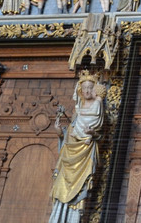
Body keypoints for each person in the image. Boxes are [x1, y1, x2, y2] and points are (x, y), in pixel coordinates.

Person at [49, 75, 105, 223]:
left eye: (90, 88)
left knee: (81, 188)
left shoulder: (98, 110)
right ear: (80, 90)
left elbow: (101, 137)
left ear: (94, 90)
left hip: (84, 156)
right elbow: (69, 135)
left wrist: (92, 134)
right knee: (61, 187)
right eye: (84, 88)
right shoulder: (77, 112)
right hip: (69, 158)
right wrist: (60, 133)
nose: (87, 91)